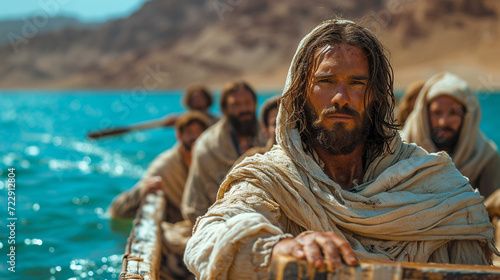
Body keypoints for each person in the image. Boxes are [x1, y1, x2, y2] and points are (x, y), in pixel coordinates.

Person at [183, 19, 496, 280]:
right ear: (300, 94)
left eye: (357, 82)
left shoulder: (429, 180)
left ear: (375, 96)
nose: (341, 98)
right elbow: (210, 237)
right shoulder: (273, 179)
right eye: (326, 81)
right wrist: (280, 249)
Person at [180, 81, 267, 224]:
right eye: (236, 105)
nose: (244, 109)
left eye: (247, 102)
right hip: (219, 222)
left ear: (255, 104)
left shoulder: (269, 139)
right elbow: (197, 206)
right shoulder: (207, 147)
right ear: (224, 110)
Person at [402, 72, 500, 198]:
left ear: (467, 117)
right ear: (425, 115)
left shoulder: (485, 158)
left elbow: (491, 212)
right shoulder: (401, 149)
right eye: (437, 112)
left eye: (453, 112)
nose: (443, 122)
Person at [109, 111, 210, 222]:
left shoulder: (213, 159)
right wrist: (143, 190)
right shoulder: (164, 166)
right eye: (190, 132)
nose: (195, 137)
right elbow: (117, 210)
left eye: (199, 132)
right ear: (179, 135)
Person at [231, 95, 279, 168]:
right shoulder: (251, 160)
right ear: (266, 130)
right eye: (276, 124)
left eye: (290, 122)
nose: (284, 127)